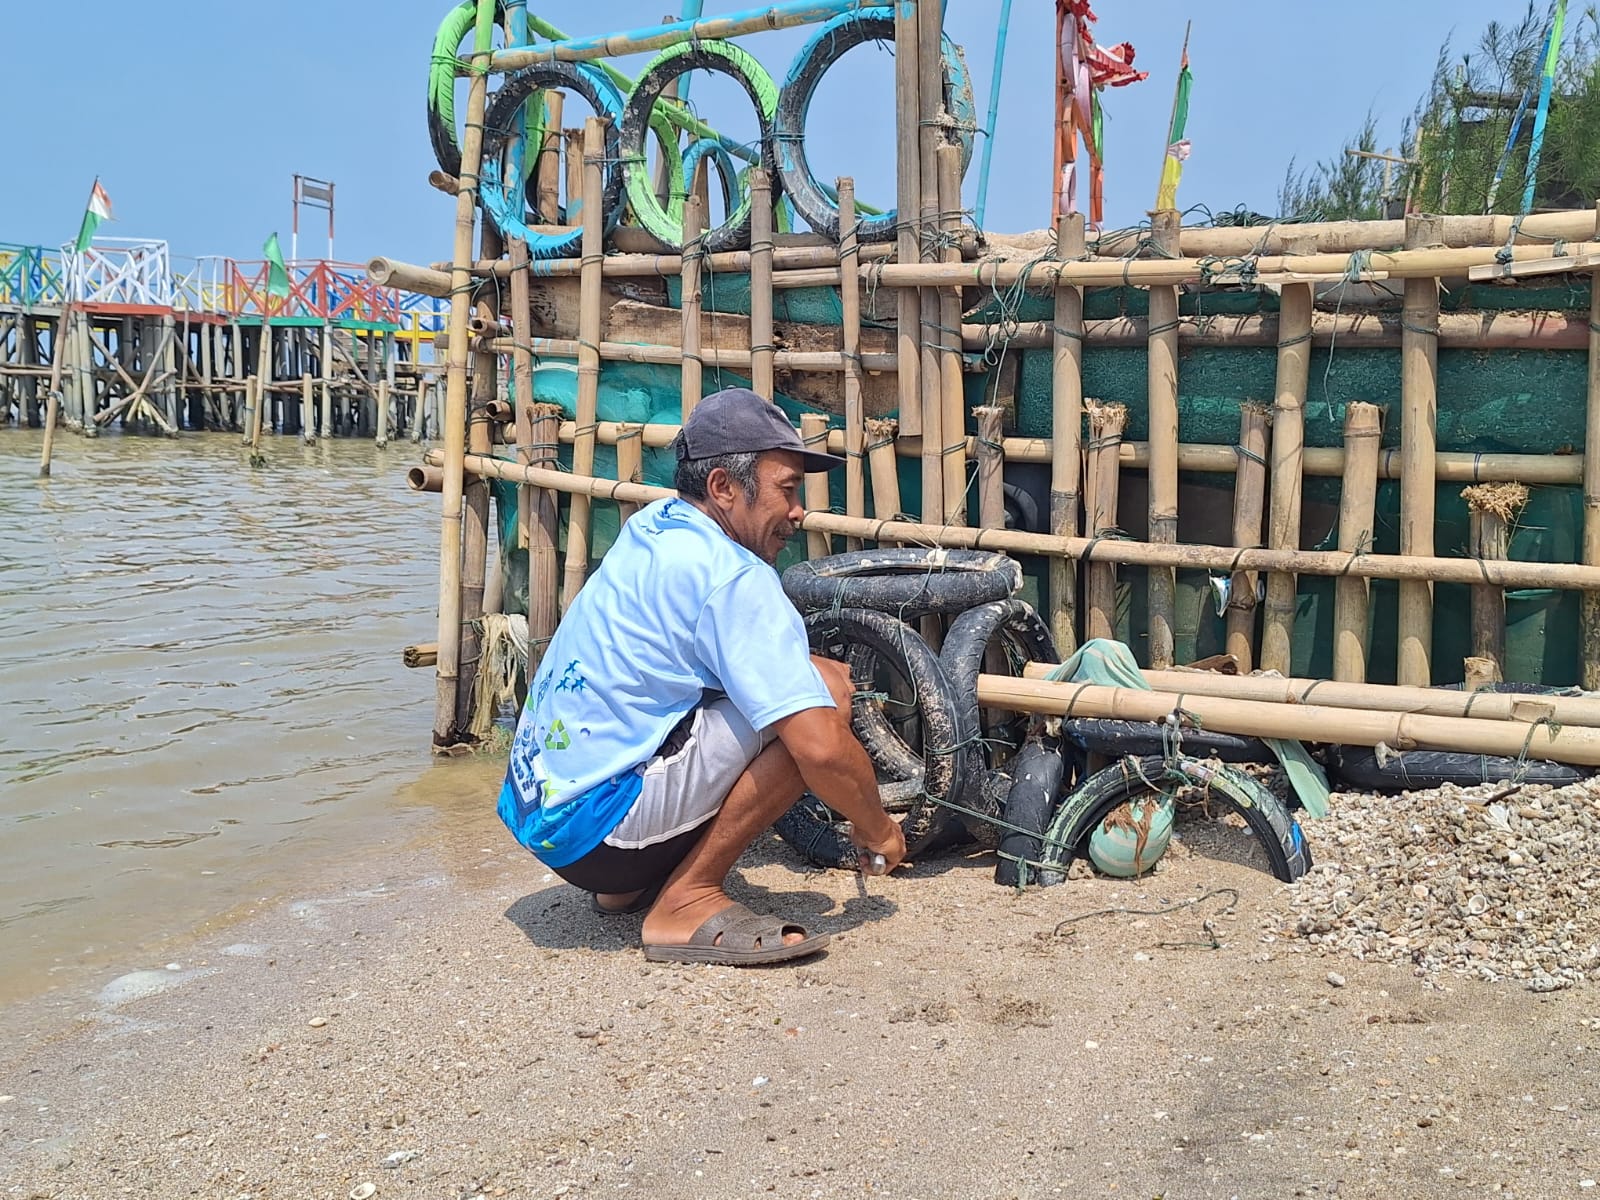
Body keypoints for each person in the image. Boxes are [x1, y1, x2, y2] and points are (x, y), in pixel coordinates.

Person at [497, 386, 906, 966]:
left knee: (798, 682)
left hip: (540, 815)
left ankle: (624, 891)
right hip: (599, 832)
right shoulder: (735, 577)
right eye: (787, 490)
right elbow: (819, 749)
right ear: (723, 487)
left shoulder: (658, 526)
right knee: (825, 703)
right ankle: (687, 898)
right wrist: (877, 826)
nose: (798, 511)